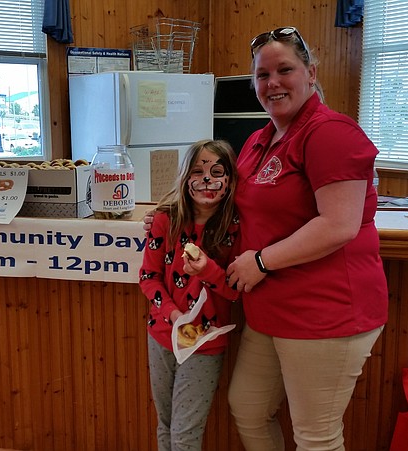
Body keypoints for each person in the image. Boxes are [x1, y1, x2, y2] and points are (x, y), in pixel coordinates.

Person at [144, 27, 387, 451]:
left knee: (316, 436)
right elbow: (226, 203)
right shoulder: (260, 139)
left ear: (311, 73)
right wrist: (171, 215)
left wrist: (259, 263)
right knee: (249, 410)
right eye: (262, 74)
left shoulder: (331, 133)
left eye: (285, 70)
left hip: (324, 311)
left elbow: (339, 224)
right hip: (269, 309)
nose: (272, 82)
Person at [139, 139, 240, 451]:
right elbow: (148, 277)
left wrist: (207, 270)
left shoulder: (234, 228)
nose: (207, 180)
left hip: (205, 343)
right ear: (185, 177)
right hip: (162, 335)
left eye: (217, 172)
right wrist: (173, 315)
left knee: (185, 433)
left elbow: (234, 291)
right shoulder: (164, 220)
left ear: (230, 180)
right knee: (166, 423)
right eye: (198, 171)